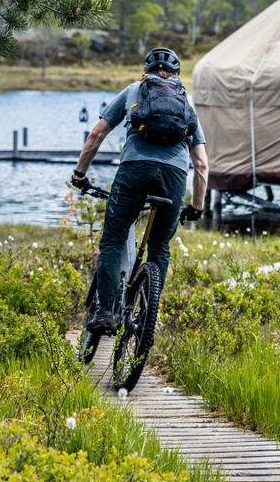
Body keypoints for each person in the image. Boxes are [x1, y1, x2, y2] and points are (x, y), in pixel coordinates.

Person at [70, 47, 208, 334]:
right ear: (177, 74)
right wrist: (196, 207)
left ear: (146, 71)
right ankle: (147, 316)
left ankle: (106, 313)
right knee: (159, 246)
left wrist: (80, 174)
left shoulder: (133, 90)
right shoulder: (187, 102)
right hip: (174, 176)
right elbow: (202, 165)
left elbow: (96, 135)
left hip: (134, 170)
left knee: (113, 240)